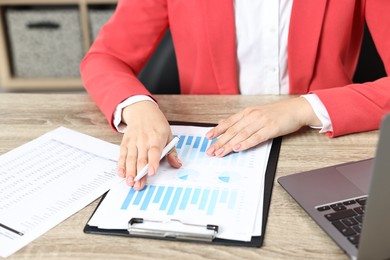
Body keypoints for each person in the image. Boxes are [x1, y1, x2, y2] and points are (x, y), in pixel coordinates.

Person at [80, 1, 390, 191]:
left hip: (318, 150)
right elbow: (104, 58)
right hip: (207, 154)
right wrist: (139, 107)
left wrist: (304, 108)